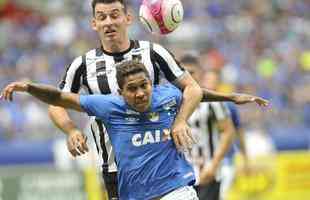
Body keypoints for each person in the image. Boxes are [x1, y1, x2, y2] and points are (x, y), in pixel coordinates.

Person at [47, 0, 268, 199]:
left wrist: (181, 120)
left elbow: (191, 89)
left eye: (115, 15)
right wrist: (71, 130)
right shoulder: (82, 65)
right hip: (115, 167)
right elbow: (56, 104)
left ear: (128, 18)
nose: (108, 22)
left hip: (161, 160)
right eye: (102, 17)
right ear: (94, 23)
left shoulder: (153, 53)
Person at [1, 60, 199, 200]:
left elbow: (196, 92)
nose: (140, 93)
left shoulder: (168, 95)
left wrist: (183, 119)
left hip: (177, 189)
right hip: (134, 194)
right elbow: (59, 98)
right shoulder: (108, 105)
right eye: (132, 89)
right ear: (120, 93)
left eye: (144, 86)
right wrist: (28, 88)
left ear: (150, 84)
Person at [180, 54, 235, 200]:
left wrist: (214, 164)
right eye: (184, 73)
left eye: (192, 73)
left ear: (200, 74)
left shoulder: (213, 101)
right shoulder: (174, 100)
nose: (188, 77)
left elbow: (228, 131)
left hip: (207, 172)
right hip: (182, 175)